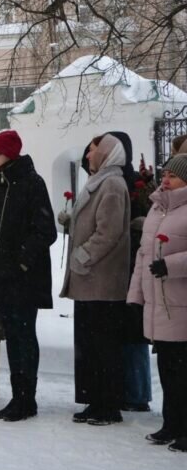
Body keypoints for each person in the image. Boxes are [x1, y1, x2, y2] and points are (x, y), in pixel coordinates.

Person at [0, 130, 57, 421]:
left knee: (23, 336)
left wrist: (22, 261)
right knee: (13, 336)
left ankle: (27, 398)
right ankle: (18, 395)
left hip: (25, 277)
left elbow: (45, 230)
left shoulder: (30, 183)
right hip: (3, 274)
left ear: (10, 154)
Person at [60, 134, 131, 425]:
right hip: (90, 281)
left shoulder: (112, 184)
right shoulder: (100, 180)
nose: (88, 156)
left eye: (92, 151)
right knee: (92, 345)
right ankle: (96, 401)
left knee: (104, 346)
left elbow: (109, 232)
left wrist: (82, 256)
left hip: (101, 280)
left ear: (105, 154)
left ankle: (108, 405)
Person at [128, 154, 187, 452]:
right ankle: (171, 424)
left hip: (181, 302)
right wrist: (136, 294)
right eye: (165, 174)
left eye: (173, 176)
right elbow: (143, 255)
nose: (165, 180)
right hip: (160, 303)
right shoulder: (157, 208)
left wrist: (171, 265)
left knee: (182, 370)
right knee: (167, 368)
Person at [109, 132, 154, 413]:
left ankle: (137, 392)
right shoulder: (120, 181)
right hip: (120, 266)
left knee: (133, 331)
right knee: (124, 331)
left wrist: (141, 225)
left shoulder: (136, 186)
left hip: (133, 266)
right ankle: (128, 389)